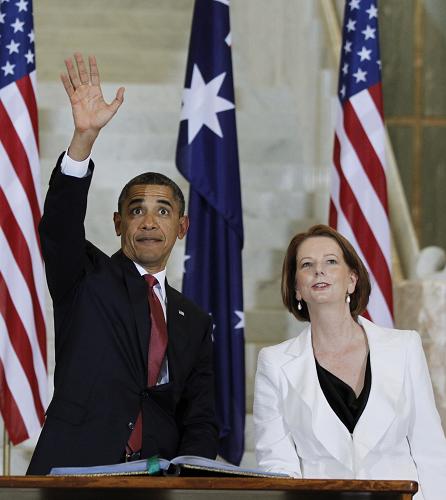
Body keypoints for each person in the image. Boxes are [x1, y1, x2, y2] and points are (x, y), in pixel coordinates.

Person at [27, 53, 218, 475]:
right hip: (75, 472)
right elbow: (58, 227)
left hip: (157, 480)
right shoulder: (85, 276)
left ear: (182, 226)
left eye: (163, 212)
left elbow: (200, 417)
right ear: (118, 223)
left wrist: (191, 479)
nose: (149, 221)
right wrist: (83, 139)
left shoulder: (195, 319)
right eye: (136, 211)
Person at [253, 224, 446, 499]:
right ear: (297, 289)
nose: (319, 270)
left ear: (352, 280)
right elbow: (278, 466)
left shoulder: (404, 347)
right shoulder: (273, 363)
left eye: (331, 262)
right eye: (307, 265)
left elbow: (430, 450)